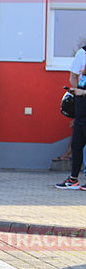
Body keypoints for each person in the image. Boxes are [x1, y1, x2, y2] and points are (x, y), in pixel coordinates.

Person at [55, 44, 86, 189]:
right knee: (77, 144)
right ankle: (73, 178)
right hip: (81, 107)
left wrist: (82, 93)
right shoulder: (83, 52)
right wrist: (77, 93)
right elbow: (74, 76)